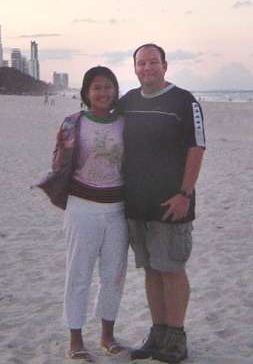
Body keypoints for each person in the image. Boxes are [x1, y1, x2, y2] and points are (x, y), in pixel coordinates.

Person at [117, 43, 205, 364]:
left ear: (165, 66)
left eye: (153, 62)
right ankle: (158, 333)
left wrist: (184, 193)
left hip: (172, 203)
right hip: (137, 205)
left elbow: (197, 149)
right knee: (152, 270)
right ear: (135, 68)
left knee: (172, 269)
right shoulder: (127, 102)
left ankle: (176, 336)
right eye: (141, 63)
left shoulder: (184, 101)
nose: (147, 68)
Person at [37, 66, 129, 362]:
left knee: (113, 275)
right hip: (82, 208)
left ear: (116, 91)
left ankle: (107, 335)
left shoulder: (126, 123)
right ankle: (75, 339)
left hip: (118, 210)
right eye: (97, 88)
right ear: (87, 93)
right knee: (78, 274)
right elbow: (59, 163)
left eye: (109, 87)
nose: (104, 93)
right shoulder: (72, 123)